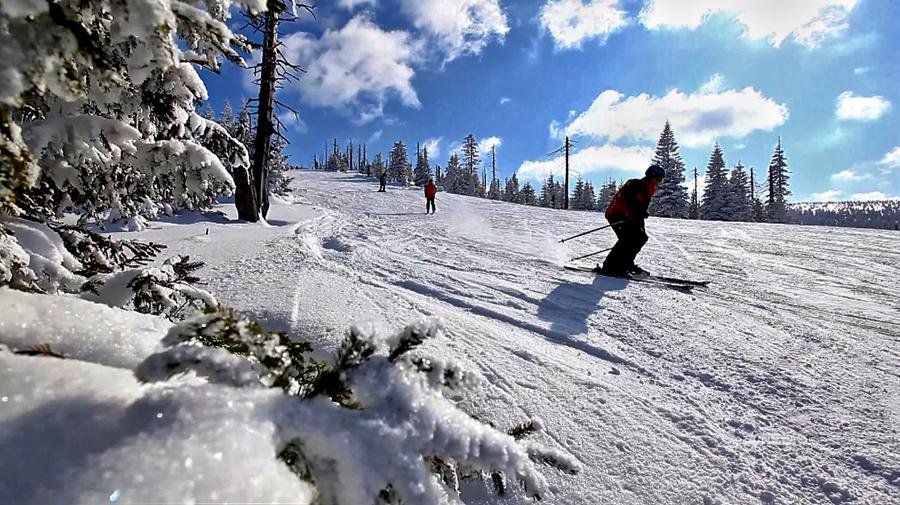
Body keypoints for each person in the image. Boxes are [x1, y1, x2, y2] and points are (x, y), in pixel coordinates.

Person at [599, 164, 666, 277]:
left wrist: (641, 226)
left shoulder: (649, 191)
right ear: (651, 176)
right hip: (616, 213)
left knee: (641, 237)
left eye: (661, 180)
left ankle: (626, 263)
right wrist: (639, 211)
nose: (659, 182)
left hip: (629, 217)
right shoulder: (636, 184)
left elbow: (640, 211)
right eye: (658, 178)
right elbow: (629, 201)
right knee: (627, 239)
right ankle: (609, 266)